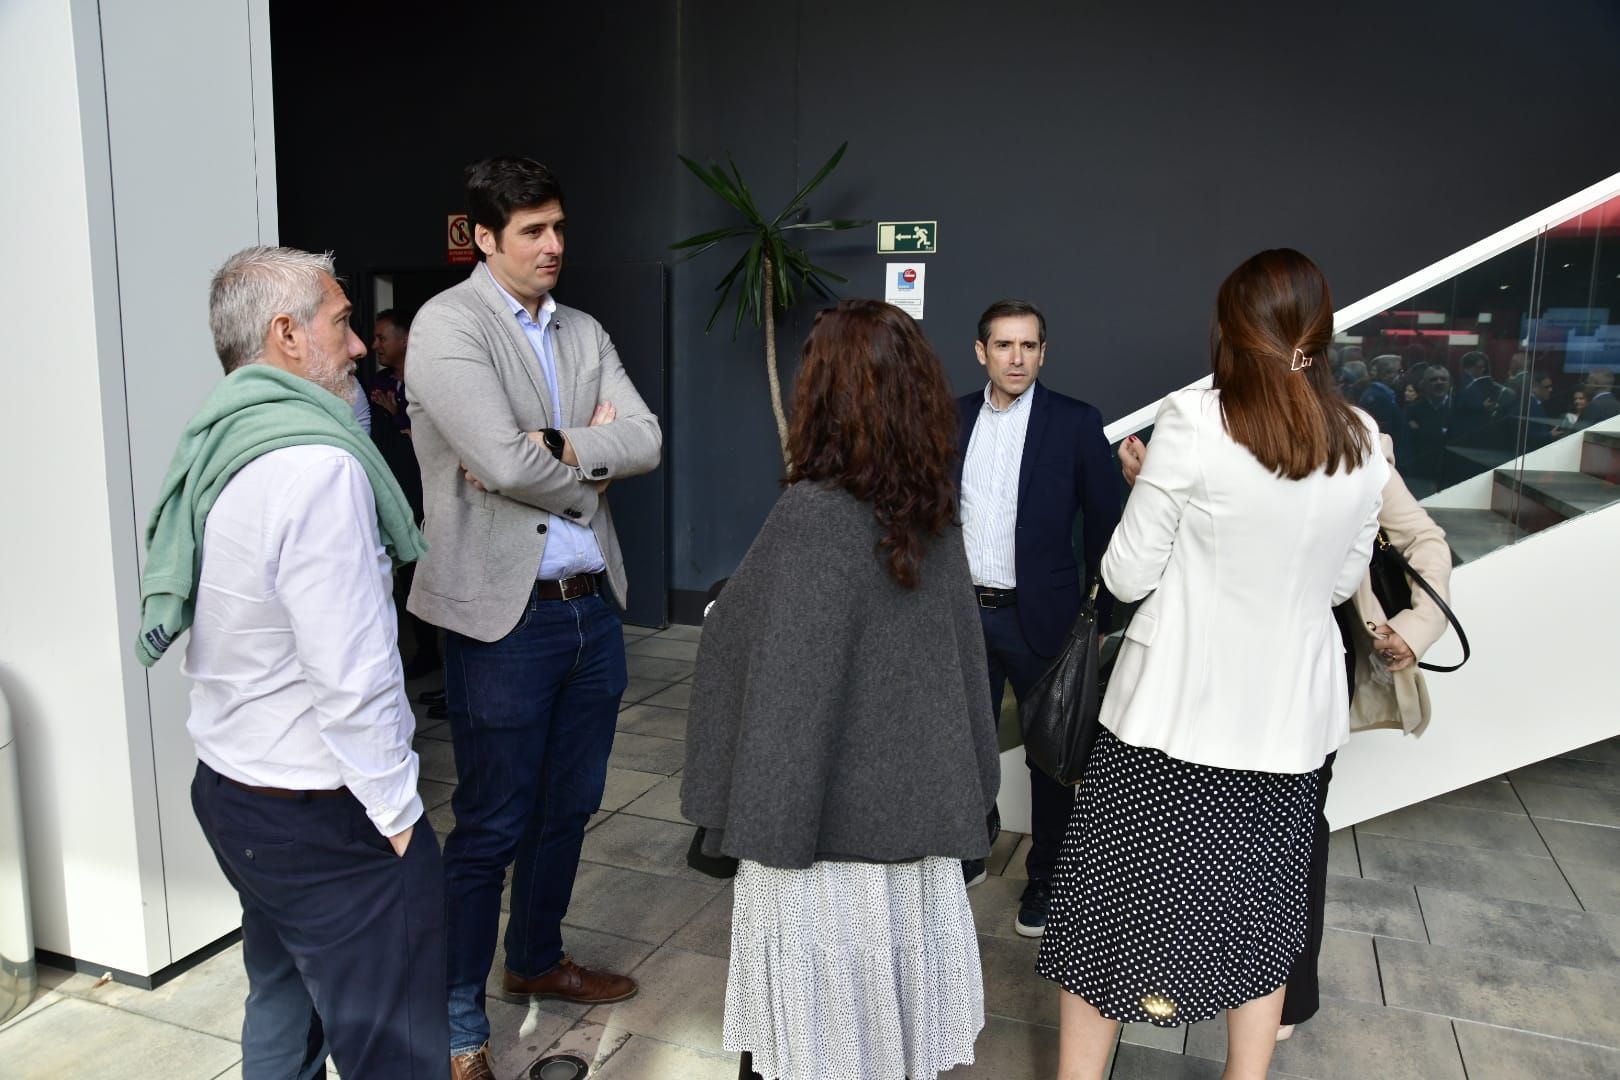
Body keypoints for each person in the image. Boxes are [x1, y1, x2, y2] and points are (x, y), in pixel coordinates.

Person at [1037, 249, 1386, 1080]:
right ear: (1318, 333)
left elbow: (1124, 575)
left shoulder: (1194, 420)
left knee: (1105, 918)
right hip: (1288, 734)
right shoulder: (1367, 440)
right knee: (1261, 922)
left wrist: (1147, 478)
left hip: (1174, 724)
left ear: (1231, 331)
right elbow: (1341, 582)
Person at [136, 246, 444, 1078]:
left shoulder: (224, 442)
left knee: (282, 1003)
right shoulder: (316, 466)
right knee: (394, 1048)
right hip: (318, 812)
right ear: (286, 335)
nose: (357, 346)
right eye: (342, 323)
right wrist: (404, 824)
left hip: (232, 791)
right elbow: (355, 675)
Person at [684, 299, 999, 1080]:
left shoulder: (809, 518)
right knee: (892, 1034)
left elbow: (772, 683)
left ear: (819, 396)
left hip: (818, 846)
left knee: (820, 1045)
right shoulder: (935, 518)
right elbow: (962, 669)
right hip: (915, 835)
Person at [406, 157, 663, 1080]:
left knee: (571, 805)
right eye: (532, 232)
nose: (555, 246)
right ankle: (456, 1026)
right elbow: (499, 469)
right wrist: (589, 462)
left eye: (559, 226)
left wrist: (554, 444)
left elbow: (646, 439)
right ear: (483, 238)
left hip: (592, 605)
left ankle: (537, 958)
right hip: (499, 618)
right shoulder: (447, 327)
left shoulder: (583, 328)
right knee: (491, 822)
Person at [1120, 429, 1453, 1041]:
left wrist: (1418, 624)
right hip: (1214, 658)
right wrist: (1155, 490)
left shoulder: (1359, 442)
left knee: (1295, 832)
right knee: (1206, 830)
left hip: (1308, 659)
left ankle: (1288, 995)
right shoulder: (1210, 428)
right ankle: (1199, 976)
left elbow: (1422, 537)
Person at [954, 298, 1121, 937]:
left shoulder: (1076, 423)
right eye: (1004, 346)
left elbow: (1106, 524)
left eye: (1028, 347)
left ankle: (1047, 881)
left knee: (1051, 758)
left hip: (1043, 618)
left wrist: (1098, 615)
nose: (1016, 357)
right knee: (964, 744)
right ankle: (971, 845)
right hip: (965, 613)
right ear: (982, 352)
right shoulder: (952, 418)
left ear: (1043, 353)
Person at [368, 308, 439, 679]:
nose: (374, 345)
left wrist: (399, 417)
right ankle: (427, 655)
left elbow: (440, 437)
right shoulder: (375, 386)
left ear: (404, 339)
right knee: (410, 578)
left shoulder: (430, 379)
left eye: (382, 337)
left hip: (436, 496)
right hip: (398, 497)